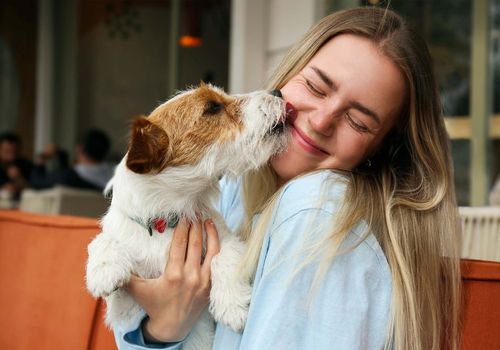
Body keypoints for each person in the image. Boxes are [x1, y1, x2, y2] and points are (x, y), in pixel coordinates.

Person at [114, 7, 461, 350]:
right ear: (288, 74)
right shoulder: (230, 189)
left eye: (359, 121)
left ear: (381, 151)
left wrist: (163, 328)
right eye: (315, 86)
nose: (322, 120)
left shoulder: (318, 209)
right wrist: (166, 328)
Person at [31, 128, 114, 191]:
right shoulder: (115, 177)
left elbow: (37, 182)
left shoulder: (67, 177)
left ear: (79, 148)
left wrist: (42, 158)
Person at [0, 131, 33, 199]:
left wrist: (19, 179)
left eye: (15, 152)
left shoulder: (26, 164)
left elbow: (34, 189)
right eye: (7, 152)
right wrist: (2, 189)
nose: (11, 156)